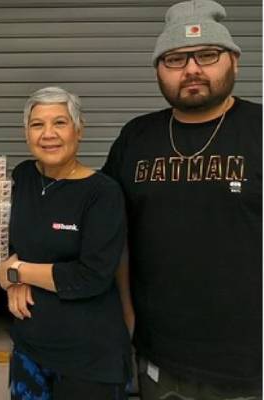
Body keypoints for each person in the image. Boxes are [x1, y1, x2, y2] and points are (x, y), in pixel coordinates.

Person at [102, 0, 262, 398]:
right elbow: (105, 228)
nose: (192, 69)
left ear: (234, 62)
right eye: (175, 59)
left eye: (207, 55)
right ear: (159, 70)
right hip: (159, 355)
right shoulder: (135, 137)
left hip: (252, 364)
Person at [0, 87, 130, 400]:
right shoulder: (24, 177)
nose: (48, 134)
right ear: (25, 133)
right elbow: (17, 241)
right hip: (30, 350)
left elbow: (91, 276)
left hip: (88, 360)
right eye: (37, 125)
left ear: (79, 130)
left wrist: (17, 273)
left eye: (59, 123)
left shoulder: (102, 193)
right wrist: (15, 277)